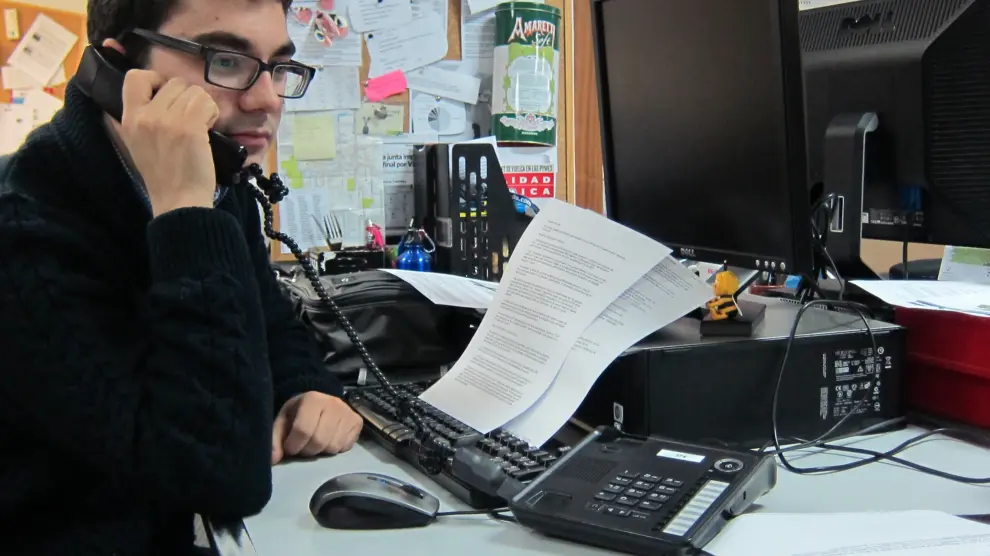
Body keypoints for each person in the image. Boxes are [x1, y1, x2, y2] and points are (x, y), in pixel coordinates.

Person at [0, 0, 364, 553]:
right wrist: (185, 213)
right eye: (226, 61)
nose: (267, 99)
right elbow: (218, 475)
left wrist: (305, 387)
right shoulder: (24, 231)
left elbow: (270, 322)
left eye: (278, 67)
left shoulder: (219, 182)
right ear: (121, 71)